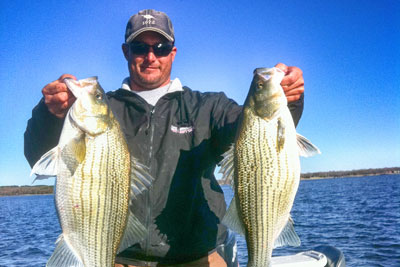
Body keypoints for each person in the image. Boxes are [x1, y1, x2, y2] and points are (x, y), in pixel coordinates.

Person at [24, 9, 305, 267]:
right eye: (139, 47)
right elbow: (38, 155)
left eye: (161, 47)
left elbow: (256, 133)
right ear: (125, 52)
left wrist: (289, 100)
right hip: (118, 258)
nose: (151, 57)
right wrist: (50, 115)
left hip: (198, 257)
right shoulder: (106, 109)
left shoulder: (209, 106)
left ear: (173, 52)